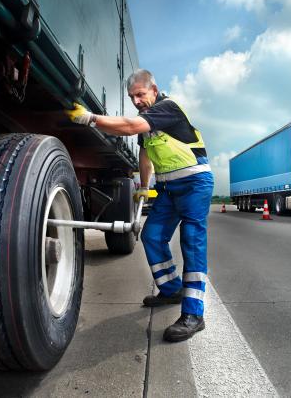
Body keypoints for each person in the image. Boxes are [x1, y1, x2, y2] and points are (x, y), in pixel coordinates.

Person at [65, 69, 214, 342]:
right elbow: (145, 156)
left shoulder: (167, 108)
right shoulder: (148, 125)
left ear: (154, 90)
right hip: (168, 189)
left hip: (195, 183)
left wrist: (91, 119)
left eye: (140, 95)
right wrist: (144, 188)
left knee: (191, 242)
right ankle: (171, 290)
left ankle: (194, 314)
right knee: (151, 235)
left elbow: (131, 126)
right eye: (132, 97)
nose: (136, 101)